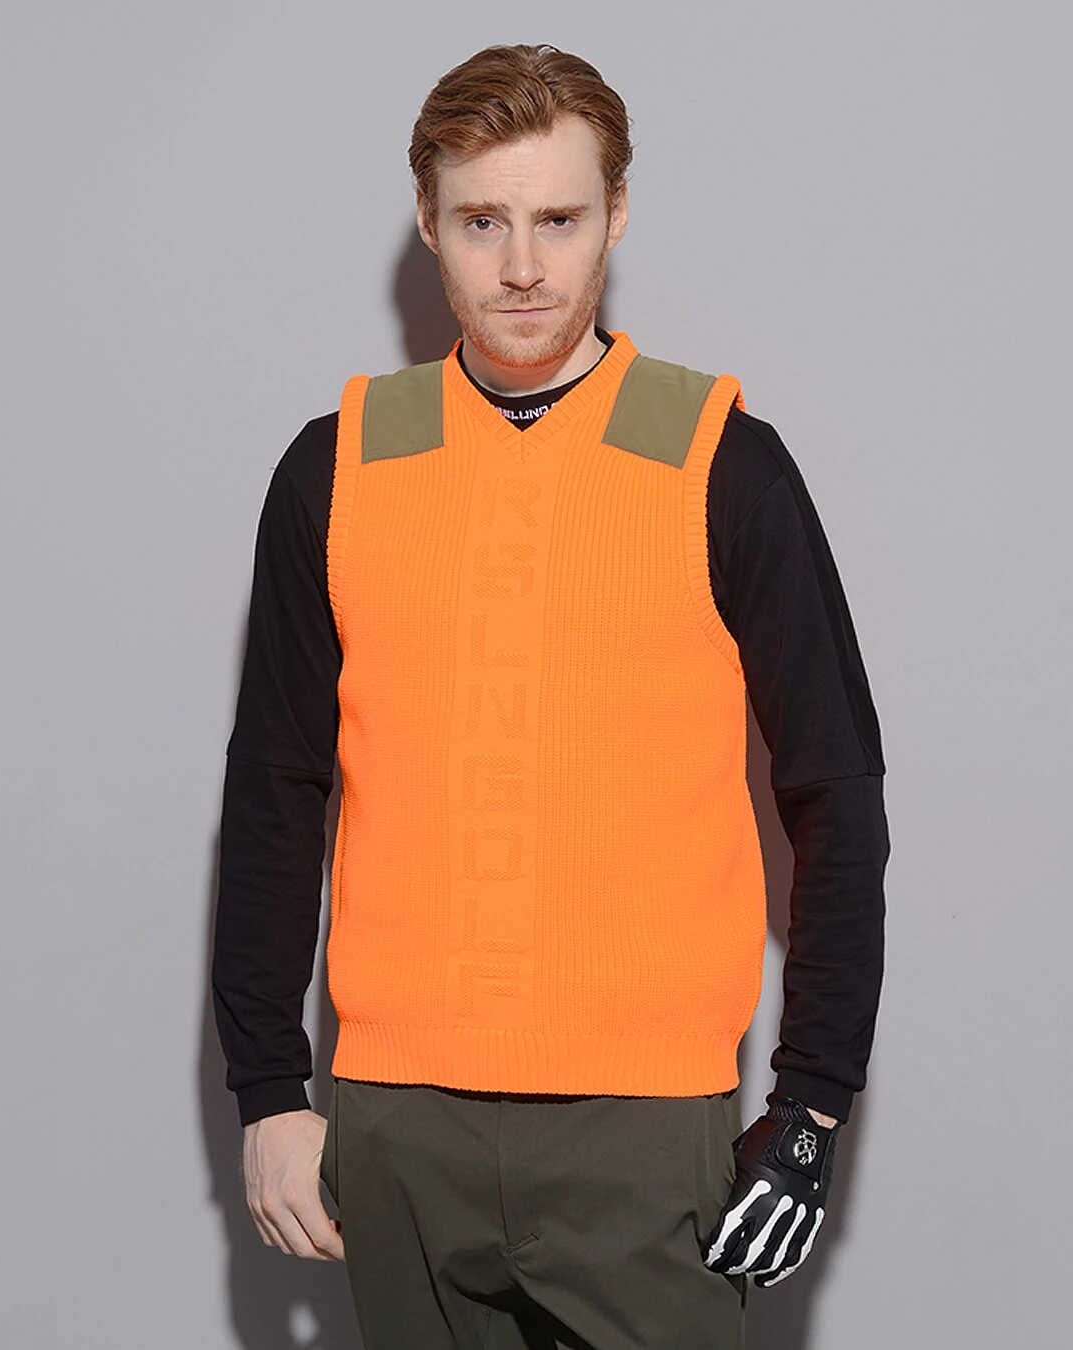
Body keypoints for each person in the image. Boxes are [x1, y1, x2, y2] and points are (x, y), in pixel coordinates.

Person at [212, 42, 889, 1350]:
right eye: (483, 222)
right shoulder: (339, 468)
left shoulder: (721, 465)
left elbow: (837, 792)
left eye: (560, 220)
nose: (523, 267)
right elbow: (275, 791)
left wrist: (810, 1105)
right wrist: (266, 1088)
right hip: (396, 1123)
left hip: (644, 1132)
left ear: (615, 216)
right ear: (428, 223)